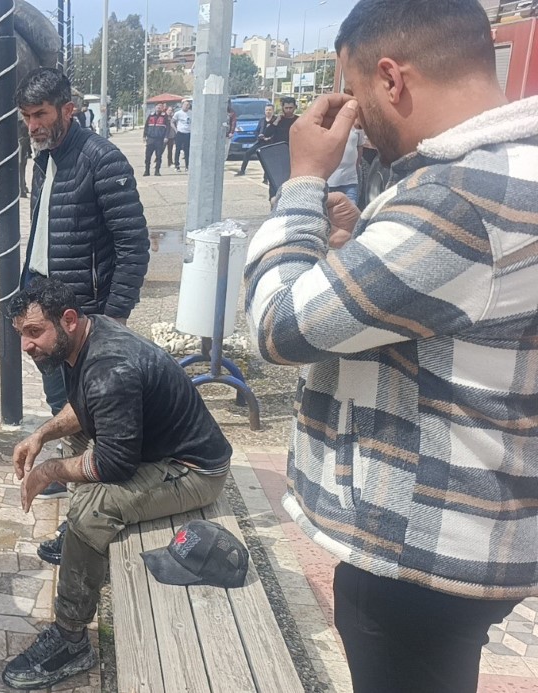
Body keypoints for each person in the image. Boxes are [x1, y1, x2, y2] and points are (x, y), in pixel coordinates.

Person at [244, 1, 538, 691]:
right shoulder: (506, 174)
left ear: (390, 79)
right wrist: (356, 250)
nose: (350, 113)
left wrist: (303, 182)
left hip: (422, 554)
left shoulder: (461, 199)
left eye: (351, 92)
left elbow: (277, 326)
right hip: (468, 536)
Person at [1, 278, 233, 690]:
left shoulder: (111, 367)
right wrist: (41, 435)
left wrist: (48, 471)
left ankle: (72, 641)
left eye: (34, 332)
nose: (26, 345)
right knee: (73, 442)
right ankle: (79, 548)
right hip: (155, 450)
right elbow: (87, 407)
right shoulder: (89, 337)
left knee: (89, 513)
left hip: (194, 471)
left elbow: (114, 462)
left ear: (69, 320)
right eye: (21, 334)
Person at [16, 67, 150, 501]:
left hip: (85, 315)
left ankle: (89, 503)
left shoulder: (102, 159)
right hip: (45, 308)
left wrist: (114, 317)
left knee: (92, 413)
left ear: (68, 110)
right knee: (60, 401)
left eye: (40, 114)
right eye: (26, 116)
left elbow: (133, 244)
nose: (33, 125)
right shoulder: (43, 161)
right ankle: (72, 483)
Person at [326, 124, 365, 206]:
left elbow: (360, 146)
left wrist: (356, 166)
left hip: (350, 181)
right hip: (328, 182)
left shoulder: (357, 127)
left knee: (350, 214)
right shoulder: (328, 124)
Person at [236, 103, 276, 178]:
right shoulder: (262, 120)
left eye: (270, 110)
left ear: (273, 111)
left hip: (270, 143)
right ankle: (242, 170)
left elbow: (277, 132)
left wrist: (269, 138)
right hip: (260, 141)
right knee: (248, 153)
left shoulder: (275, 120)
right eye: (267, 110)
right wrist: (258, 136)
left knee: (266, 160)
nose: (268, 112)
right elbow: (257, 131)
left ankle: (266, 178)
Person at [142, 103, 169, 176]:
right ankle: (146, 171)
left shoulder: (165, 117)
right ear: (155, 107)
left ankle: (157, 171)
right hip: (150, 139)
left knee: (159, 156)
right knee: (147, 156)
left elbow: (168, 128)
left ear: (162, 108)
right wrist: (144, 136)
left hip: (159, 139)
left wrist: (166, 137)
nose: (158, 108)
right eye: (157, 106)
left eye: (160, 107)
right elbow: (146, 126)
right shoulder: (151, 115)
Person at [171, 99, 192, 172]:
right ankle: (177, 165)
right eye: (185, 105)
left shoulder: (191, 113)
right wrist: (176, 130)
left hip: (188, 133)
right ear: (182, 105)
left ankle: (187, 165)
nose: (186, 106)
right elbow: (172, 122)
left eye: (188, 105)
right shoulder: (178, 113)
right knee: (178, 150)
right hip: (180, 133)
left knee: (187, 150)